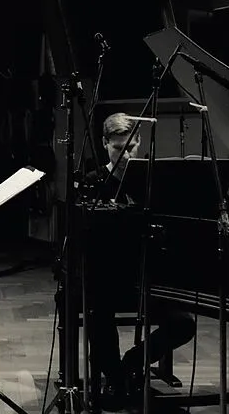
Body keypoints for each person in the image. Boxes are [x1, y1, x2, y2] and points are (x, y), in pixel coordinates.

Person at [83, 113, 196, 411]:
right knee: (98, 314)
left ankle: (133, 362)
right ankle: (114, 377)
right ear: (104, 143)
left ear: (140, 142)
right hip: (109, 277)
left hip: (150, 277)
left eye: (131, 147)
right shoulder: (93, 182)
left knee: (184, 323)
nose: (126, 155)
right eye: (118, 148)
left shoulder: (154, 182)